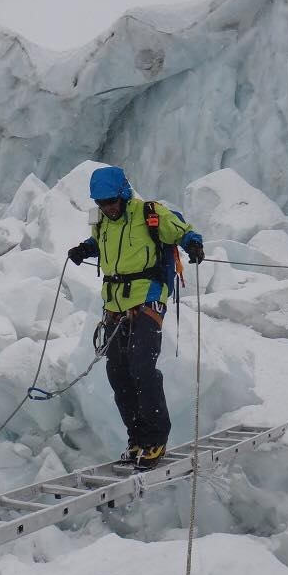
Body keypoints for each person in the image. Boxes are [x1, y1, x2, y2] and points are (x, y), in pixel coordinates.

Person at [67, 166, 204, 468]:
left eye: (112, 201)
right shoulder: (103, 222)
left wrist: (194, 243)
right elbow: (99, 244)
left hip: (148, 298)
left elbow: (181, 232)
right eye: (101, 203)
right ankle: (137, 439)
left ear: (123, 194)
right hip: (115, 305)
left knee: (141, 365)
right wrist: (84, 250)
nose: (108, 208)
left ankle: (156, 438)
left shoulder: (148, 213)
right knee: (118, 372)